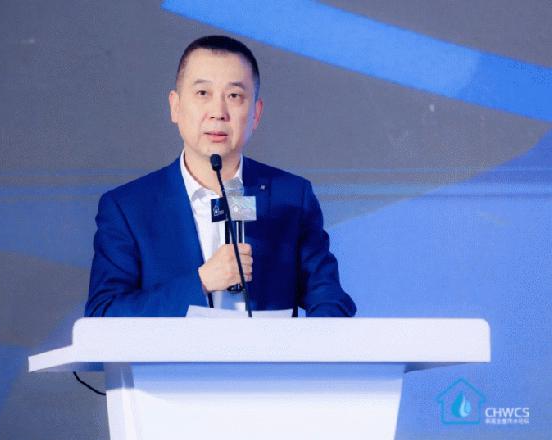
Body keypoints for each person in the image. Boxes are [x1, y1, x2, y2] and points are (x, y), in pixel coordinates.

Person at [85, 35, 356, 317]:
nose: (218, 112)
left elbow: (331, 300)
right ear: (175, 106)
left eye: (234, 96)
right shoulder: (128, 208)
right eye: (203, 93)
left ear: (256, 114)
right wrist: (201, 281)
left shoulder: (292, 197)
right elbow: (103, 312)